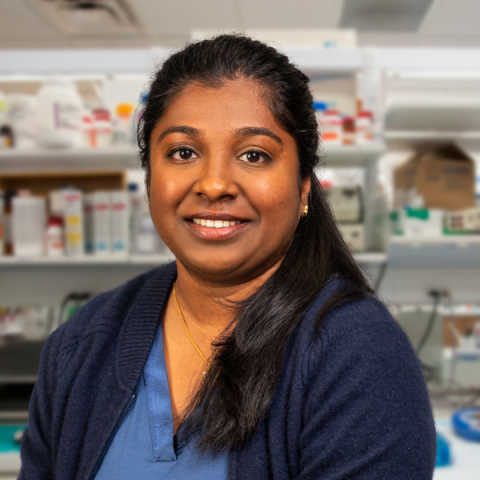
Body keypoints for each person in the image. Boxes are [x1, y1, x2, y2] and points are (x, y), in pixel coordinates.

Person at [19, 35, 436, 480]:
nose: (214, 184)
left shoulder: (357, 356)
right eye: (183, 152)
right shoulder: (82, 344)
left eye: (254, 155)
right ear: (149, 177)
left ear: (302, 190)